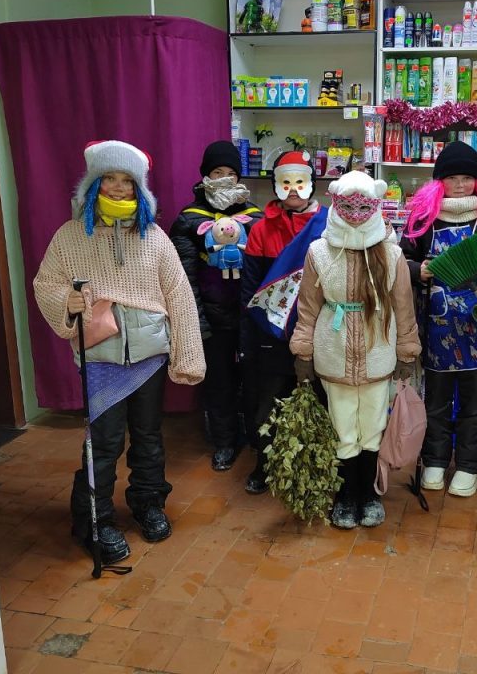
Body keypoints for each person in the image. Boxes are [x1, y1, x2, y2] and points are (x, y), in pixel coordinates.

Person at [34, 140, 205, 565]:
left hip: (149, 356)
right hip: (101, 359)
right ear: (94, 184)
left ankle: (149, 503)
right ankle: (95, 521)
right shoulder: (71, 236)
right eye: (108, 178)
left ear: (138, 187)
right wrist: (67, 301)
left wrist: (188, 353)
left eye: (126, 180)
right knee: (104, 442)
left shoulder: (155, 238)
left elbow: (179, 294)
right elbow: (46, 283)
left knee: (148, 437)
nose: (117, 186)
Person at [289, 171, 420, 528]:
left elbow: (404, 307)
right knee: (343, 423)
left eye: (364, 207)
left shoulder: (391, 254)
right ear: (336, 203)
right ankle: (347, 494)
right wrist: (303, 349)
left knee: (374, 423)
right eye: (348, 206)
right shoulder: (319, 252)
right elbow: (308, 306)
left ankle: (369, 493)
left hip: (378, 349)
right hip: (334, 349)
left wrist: (407, 348)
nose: (356, 214)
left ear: (376, 207)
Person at [399, 141, 477, 497]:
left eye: (467, 178)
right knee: (436, 399)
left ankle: (469, 465)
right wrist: (418, 269)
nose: (460, 185)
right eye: (452, 178)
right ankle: (434, 459)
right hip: (437, 326)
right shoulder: (422, 219)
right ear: (439, 181)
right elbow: (399, 260)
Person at [170, 141, 262, 472]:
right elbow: (183, 277)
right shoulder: (189, 219)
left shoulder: (255, 217)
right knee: (219, 382)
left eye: (231, 173)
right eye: (217, 172)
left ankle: (255, 439)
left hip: (250, 316)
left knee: (254, 380)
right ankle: (224, 442)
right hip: (211, 315)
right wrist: (197, 321)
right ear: (205, 176)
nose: (224, 178)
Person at [240, 151, 325, 495]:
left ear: (312, 183)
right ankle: (265, 465)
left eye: (299, 181)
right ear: (276, 184)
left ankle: (316, 466)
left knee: (318, 398)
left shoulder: (328, 224)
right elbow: (250, 289)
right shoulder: (261, 230)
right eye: (285, 182)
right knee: (269, 402)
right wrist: (252, 337)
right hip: (271, 333)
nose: (292, 189)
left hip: (318, 328)